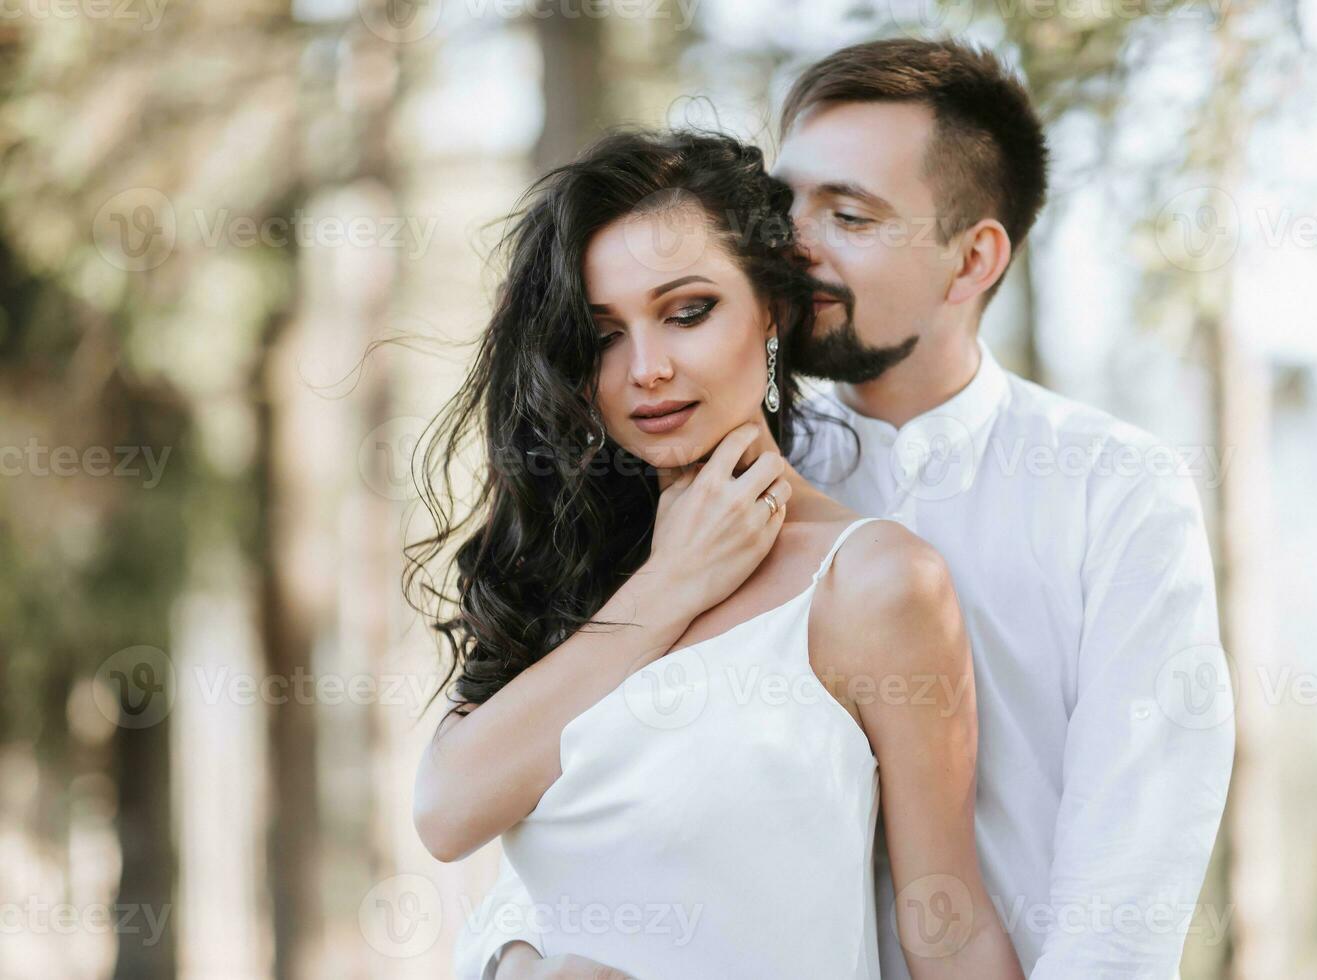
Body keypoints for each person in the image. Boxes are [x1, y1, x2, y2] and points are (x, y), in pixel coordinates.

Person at [453, 37, 1235, 980]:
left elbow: (1128, 888)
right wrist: (517, 956)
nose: (795, 246)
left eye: (851, 216)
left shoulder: (1114, 495)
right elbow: (598, 814)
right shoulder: (709, 484)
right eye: (787, 207)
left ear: (972, 259)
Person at [413, 127, 1024, 979]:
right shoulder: (572, 568)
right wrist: (670, 585)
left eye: (687, 312)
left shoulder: (872, 584)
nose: (648, 369)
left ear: (772, 313)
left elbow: (948, 930)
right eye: (604, 336)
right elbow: (447, 814)